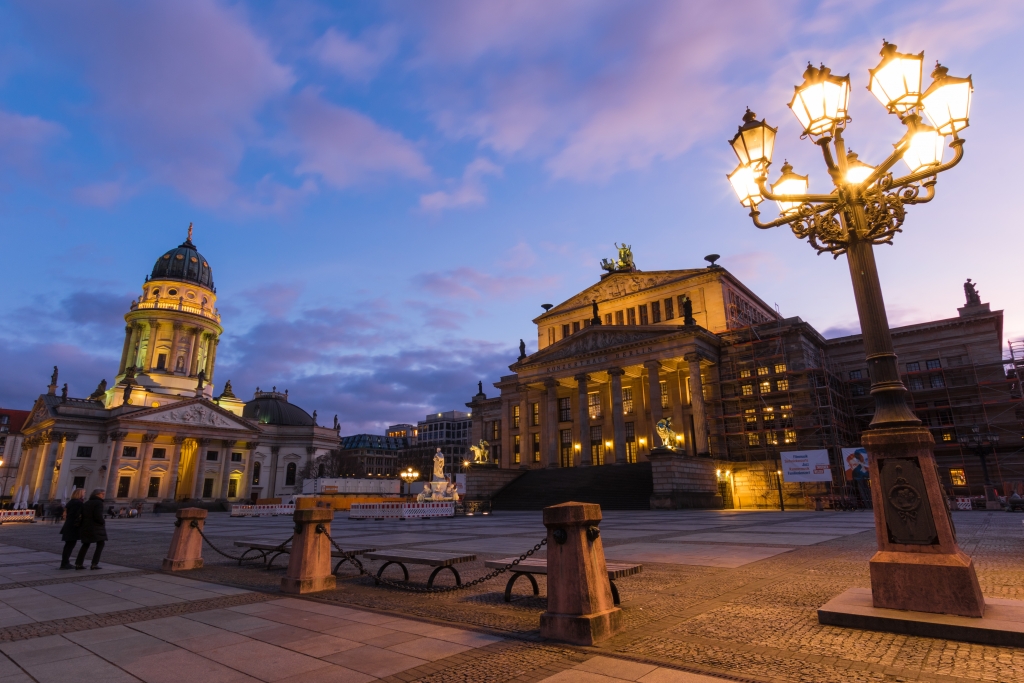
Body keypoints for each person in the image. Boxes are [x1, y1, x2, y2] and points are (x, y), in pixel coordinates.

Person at [76, 489, 108, 570]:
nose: (103, 495)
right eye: (102, 494)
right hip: (96, 527)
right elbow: (98, 516)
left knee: (86, 544)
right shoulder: (99, 503)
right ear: (98, 494)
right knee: (100, 544)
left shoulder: (87, 502)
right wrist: (102, 522)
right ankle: (94, 564)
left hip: (86, 526)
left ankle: (78, 563)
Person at [59, 489, 85, 569]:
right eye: (83, 493)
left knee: (68, 545)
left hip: (69, 525)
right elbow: (78, 515)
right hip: (73, 526)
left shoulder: (71, 502)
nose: (84, 494)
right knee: (70, 545)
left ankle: (65, 562)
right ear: (79, 494)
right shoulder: (78, 503)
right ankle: (65, 563)